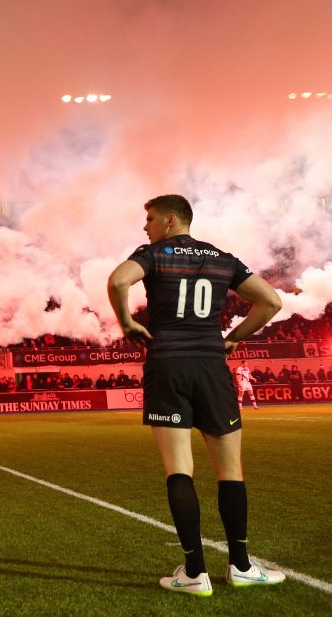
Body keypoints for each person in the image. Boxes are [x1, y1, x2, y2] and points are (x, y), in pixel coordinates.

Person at [107, 194, 286, 596]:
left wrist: (127, 323)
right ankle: (240, 566)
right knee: (230, 471)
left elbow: (119, 280)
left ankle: (194, 573)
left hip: (168, 364)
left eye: (150, 218)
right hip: (211, 365)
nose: (145, 226)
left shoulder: (153, 254)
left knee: (179, 470)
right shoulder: (224, 258)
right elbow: (271, 301)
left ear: (171, 220)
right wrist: (235, 337)